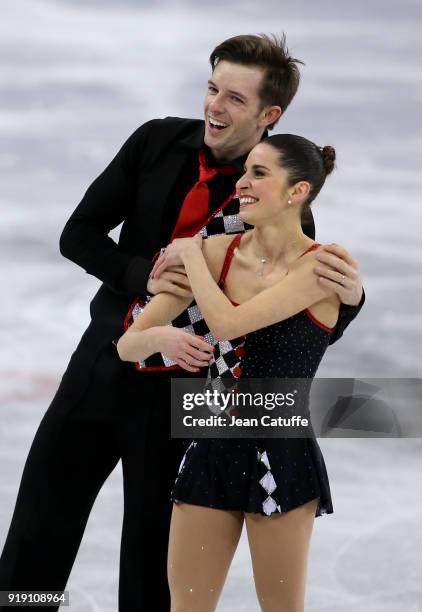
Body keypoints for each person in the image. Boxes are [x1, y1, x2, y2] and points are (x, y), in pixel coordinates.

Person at [0, 34, 363, 611]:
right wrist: (146, 275)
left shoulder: (274, 199)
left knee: (150, 550)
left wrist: (349, 304)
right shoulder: (155, 141)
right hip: (105, 358)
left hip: (184, 394)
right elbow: (79, 234)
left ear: (270, 115)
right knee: (42, 521)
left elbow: (285, 319)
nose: (215, 107)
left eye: (235, 99)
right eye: (212, 88)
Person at [117, 134, 346, 612]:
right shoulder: (218, 252)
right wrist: (160, 338)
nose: (242, 183)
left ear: (296, 191)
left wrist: (195, 254)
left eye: (259, 174)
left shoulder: (319, 266)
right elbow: (127, 344)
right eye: (245, 171)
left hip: (280, 449)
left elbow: (228, 324)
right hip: (211, 440)